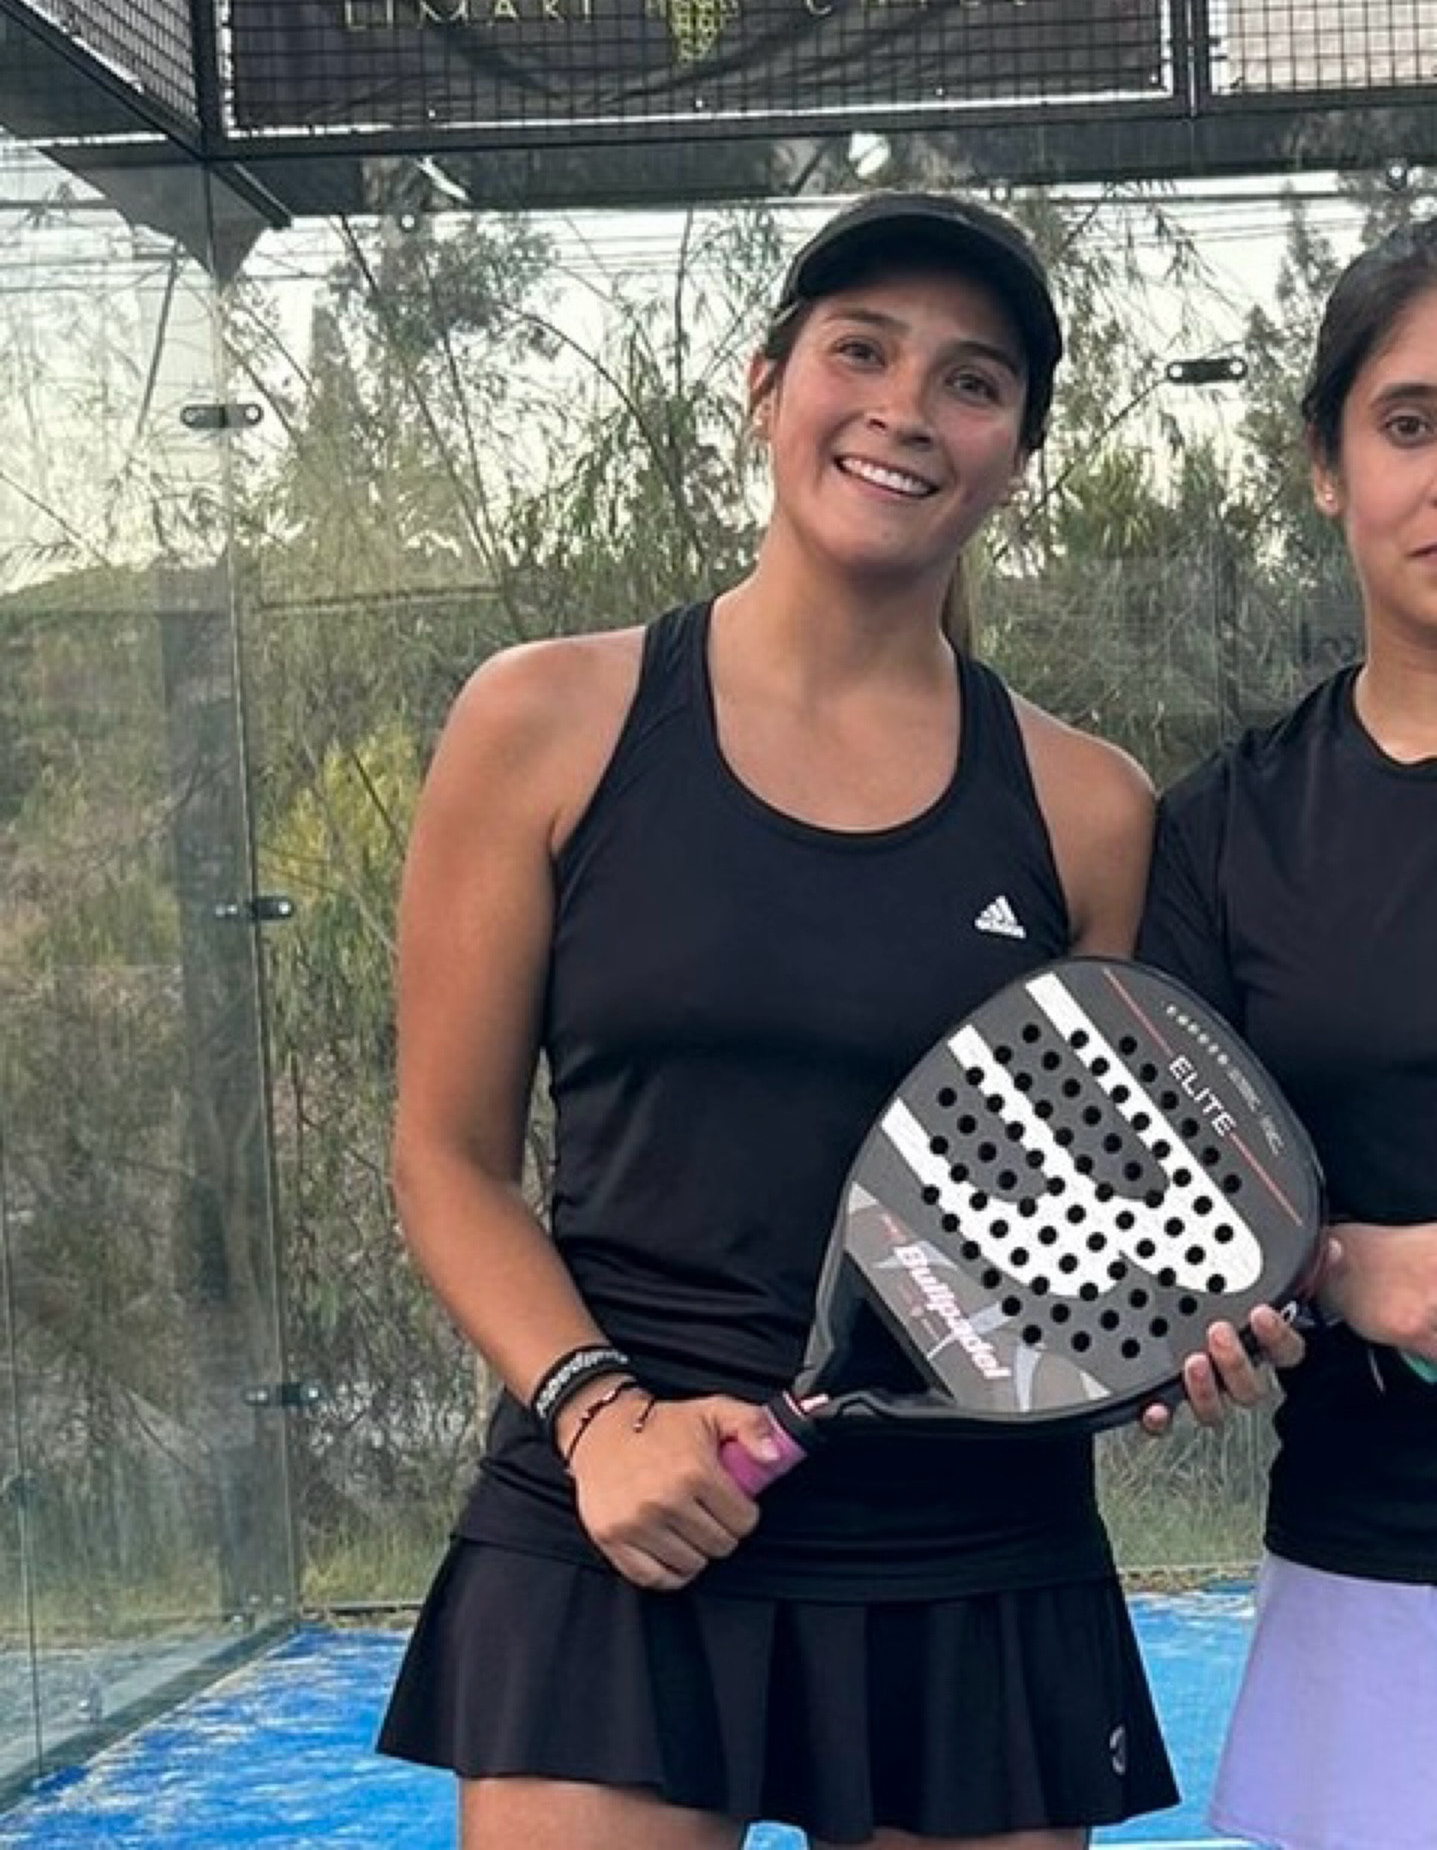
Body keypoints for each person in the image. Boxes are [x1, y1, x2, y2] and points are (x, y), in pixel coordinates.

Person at [375, 190, 1282, 1850]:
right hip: (611, 1522)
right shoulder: (541, 720)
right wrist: (598, 1415)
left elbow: (1097, 1219)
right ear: (764, 386)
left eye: (971, 382)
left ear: (1016, 457)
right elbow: (445, 1158)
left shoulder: (1089, 807)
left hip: (974, 1553)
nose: (904, 409)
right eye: (858, 352)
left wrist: (1176, 1352)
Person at [1138, 216, 1437, 1850]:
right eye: (1408, 422)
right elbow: (1172, 1224)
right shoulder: (1223, 834)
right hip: (1374, 1577)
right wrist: (1325, 1270)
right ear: (1327, 465)